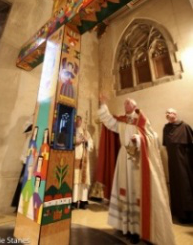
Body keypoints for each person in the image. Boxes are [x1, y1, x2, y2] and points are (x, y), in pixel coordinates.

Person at [98, 95, 176, 245]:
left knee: (135, 192)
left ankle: (136, 230)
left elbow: (153, 137)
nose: (125, 104)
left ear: (134, 106)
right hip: (124, 156)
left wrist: (139, 139)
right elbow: (108, 121)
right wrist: (103, 104)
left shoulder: (142, 120)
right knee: (123, 190)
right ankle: (123, 226)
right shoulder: (121, 120)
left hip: (137, 158)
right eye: (124, 103)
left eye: (128, 102)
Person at [163, 108, 193, 223]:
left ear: (175, 114)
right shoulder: (166, 128)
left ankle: (189, 214)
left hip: (184, 163)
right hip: (173, 163)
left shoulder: (184, 126)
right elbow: (166, 145)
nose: (168, 114)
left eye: (170, 112)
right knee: (176, 186)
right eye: (167, 113)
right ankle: (179, 213)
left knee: (186, 186)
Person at [11, 116, 33, 211]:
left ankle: (28, 205)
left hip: (38, 154)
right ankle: (18, 205)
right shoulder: (32, 117)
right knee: (24, 179)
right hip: (29, 152)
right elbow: (26, 128)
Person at [72, 115, 93, 209]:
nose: (78, 122)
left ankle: (83, 201)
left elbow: (91, 144)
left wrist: (87, 140)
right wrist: (76, 141)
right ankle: (74, 201)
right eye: (76, 120)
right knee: (75, 181)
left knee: (83, 181)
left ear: (81, 121)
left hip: (84, 159)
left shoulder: (85, 132)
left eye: (79, 120)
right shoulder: (71, 131)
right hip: (74, 158)